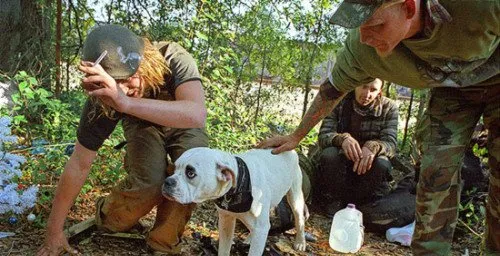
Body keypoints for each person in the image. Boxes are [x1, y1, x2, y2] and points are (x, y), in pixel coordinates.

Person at [258, 0, 499, 254]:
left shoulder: (476, 6)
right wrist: (297, 135)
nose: (364, 36)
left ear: (408, 8)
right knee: (435, 173)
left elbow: (390, 143)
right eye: (358, 25)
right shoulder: (362, 50)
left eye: (375, 24)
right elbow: (331, 90)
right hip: (452, 92)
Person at [37, 24, 208, 255]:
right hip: (140, 123)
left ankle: (163, 242)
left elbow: (196, 114)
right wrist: (53, 231)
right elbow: (79, 163)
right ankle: (108, 215)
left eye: (128, 80)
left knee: (192, 170)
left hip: (184, 119)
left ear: (144, 62)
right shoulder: (104, 97)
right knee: (148, 184)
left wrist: (125, 103)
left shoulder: (173, 57)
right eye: (114, 84)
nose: (124, 90)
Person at [314, 78, 398, 217]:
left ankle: (361, 204)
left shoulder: (389, 107)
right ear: (355, 86)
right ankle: (335, 200)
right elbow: (324, 136)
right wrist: (342, 139)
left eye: (373, 90)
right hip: (340, 165)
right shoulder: (339, 101)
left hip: (368, 169)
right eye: (364, 87)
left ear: (379, 91)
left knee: (383, 163)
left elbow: (391, 144)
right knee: (329, 154)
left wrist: (374, 146)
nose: (367, 94)